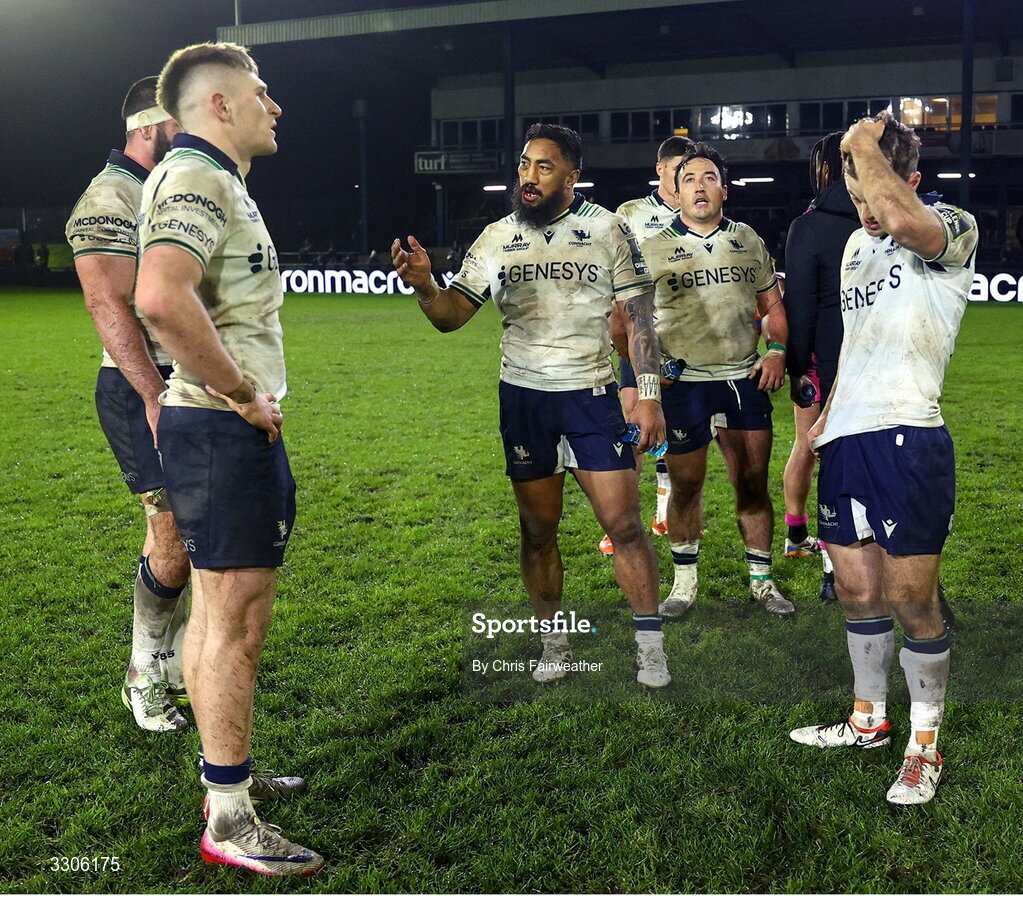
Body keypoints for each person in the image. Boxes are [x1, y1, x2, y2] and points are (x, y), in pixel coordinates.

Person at [392, 123, 671, 688]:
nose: (529, 175)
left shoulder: (607, 229)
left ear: (572, 175)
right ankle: (554, 640)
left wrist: (648, 397)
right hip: (523, 400)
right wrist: (425, 285)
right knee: (538, 529)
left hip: (592, 396)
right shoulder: (494, 238)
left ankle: (650, 646)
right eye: (524, 165)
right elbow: (451, 316)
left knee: (623, 524)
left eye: (544, 166)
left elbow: (639, 319)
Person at [135, 42, 321, 875]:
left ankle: (228, 782)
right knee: (235, 621)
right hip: (217, 428)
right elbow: (159, 296)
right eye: (262, 92)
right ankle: (229, 819)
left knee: (219, 616)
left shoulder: (216, 179)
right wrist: (243, 391)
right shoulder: (197, 176)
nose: (273, 107)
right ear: (218, 105)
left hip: (215, 430)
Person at [790, 113, 978, 806]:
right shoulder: (850, 249)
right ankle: (867, 719)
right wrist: (817, 428)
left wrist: (864, 146)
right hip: (846, 440)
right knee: (855, 591)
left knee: (910, 598)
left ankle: (922, 748)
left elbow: (905, 224)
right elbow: (855, 345)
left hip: (909, 436)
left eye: (874, 188)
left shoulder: (950, 226)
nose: (864, 208)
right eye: (853, 191)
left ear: (910, 181)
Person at [65, 76, 191, 732]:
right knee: (173, 539)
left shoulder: (161, 188)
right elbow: (105, 304)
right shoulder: (108, 196)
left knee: (189, 536)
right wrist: (153, 394)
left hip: (186, 384)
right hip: (143, 388)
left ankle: (163, 660)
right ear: (149, 126)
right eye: (181, 120)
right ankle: (144, 673)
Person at [641, 142, 794, 619]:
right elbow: (629, 322)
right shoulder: (652, 248)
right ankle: (683, 584)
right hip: (684, 385)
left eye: (708, 178)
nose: (699, 186)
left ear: (723, 190)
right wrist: (649, 374)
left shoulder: (747, 239)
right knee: (685, 486)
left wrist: (776, 350)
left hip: (743, 378)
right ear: (676, 191)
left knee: (752, 483)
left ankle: (762, 583)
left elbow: (772, 306)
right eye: (689, 180)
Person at [598, 135, 697, 555]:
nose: (682, 179)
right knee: (634, 426)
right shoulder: (632, 214)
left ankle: (665, 513)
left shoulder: (702, 212)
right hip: (642, 338)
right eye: (677, 171)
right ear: (660, 170)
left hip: (688, 340)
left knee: (682, 437)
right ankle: (622, 522)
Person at [781, 131, 860, 601]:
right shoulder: (887, 221)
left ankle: (825, 560)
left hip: (823, 362)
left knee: (810, 448)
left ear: (826, 170)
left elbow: (802, 311)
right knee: (859, 459)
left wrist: (796, 369)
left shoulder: (809, 225)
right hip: (875, 360)